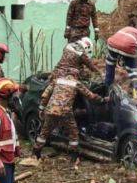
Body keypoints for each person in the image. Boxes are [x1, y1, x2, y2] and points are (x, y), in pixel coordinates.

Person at [33, 37, 106, 166]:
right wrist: (103, 99)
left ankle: (36, 154)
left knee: (44, 132)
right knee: (73, 134)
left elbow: (45, 95)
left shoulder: (58, 78)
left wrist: (41, 108)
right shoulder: (76, 82)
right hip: (66, 112)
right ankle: (73, 158)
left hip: (51, 109)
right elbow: (90, 95)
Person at [105, 25, 137, 99]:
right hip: (128, 46)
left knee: (110, 65)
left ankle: (107, 91)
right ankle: (136, 95)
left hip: (111, 43)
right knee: (135, 72)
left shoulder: (129, 28)